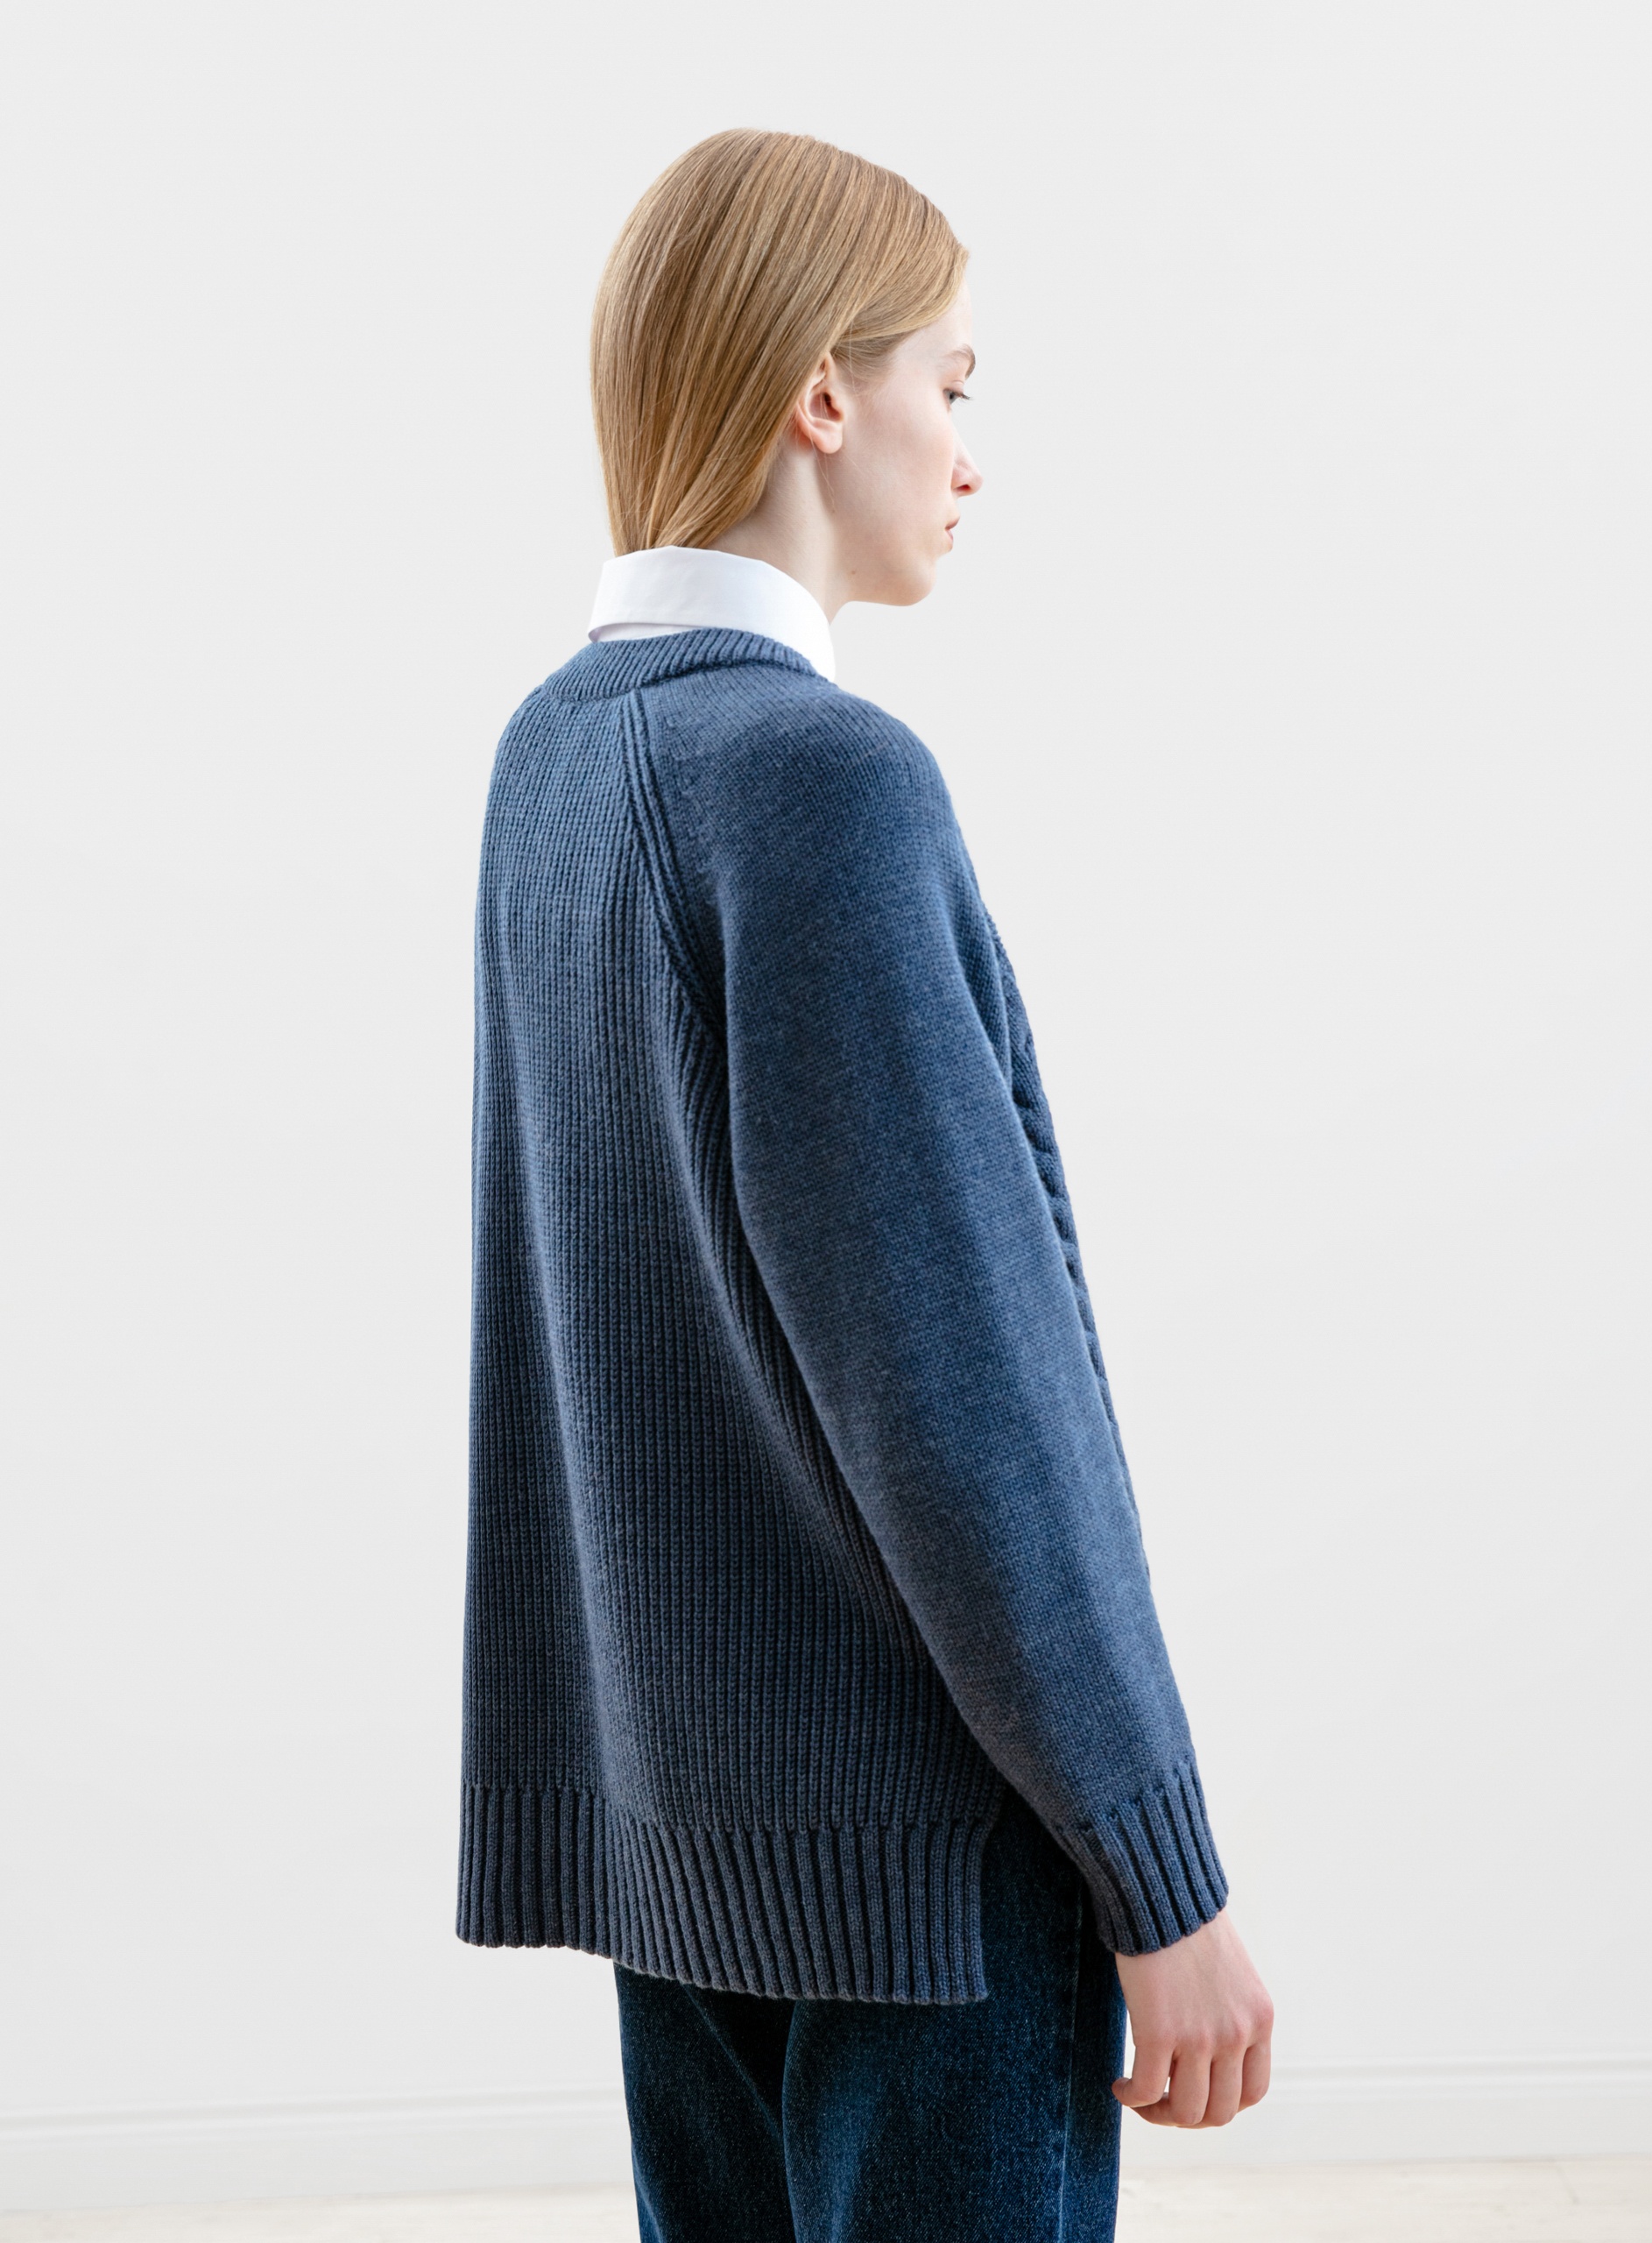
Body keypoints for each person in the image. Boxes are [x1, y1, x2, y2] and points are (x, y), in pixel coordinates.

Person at [458, 127, 1274, 2241]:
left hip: (687, 1853)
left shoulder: (556, 756)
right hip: (927, 1876)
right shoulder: (826, 781)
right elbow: (964, 1387)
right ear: (825, 391)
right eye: (954, 382)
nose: (971, 451)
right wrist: (1163, 1872)